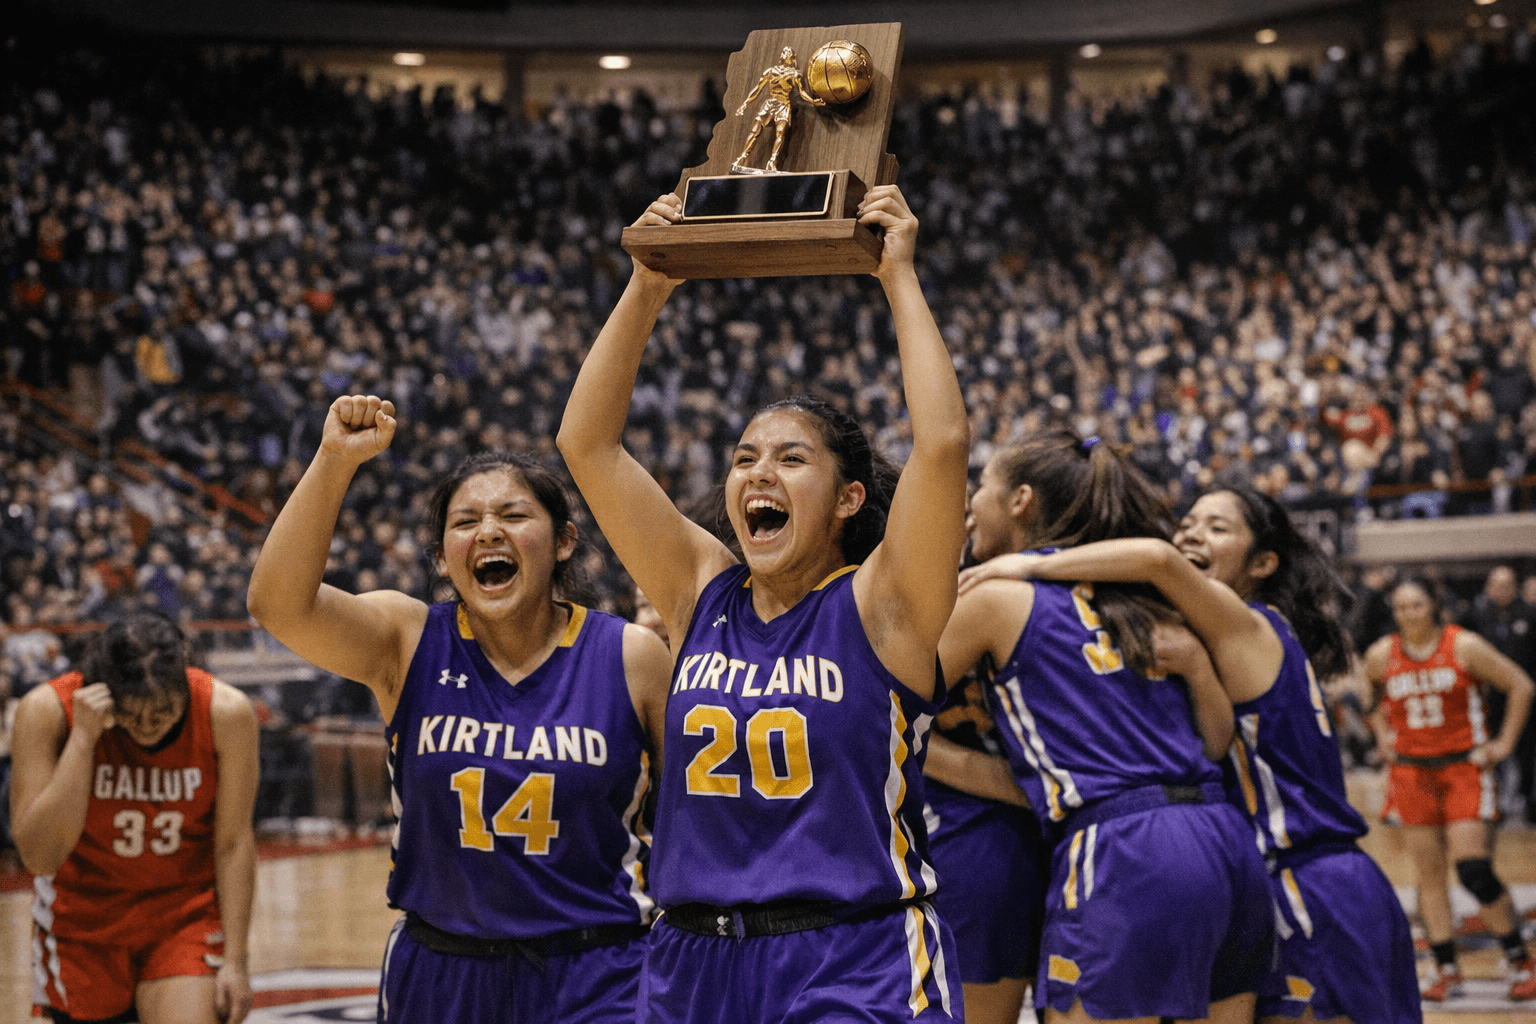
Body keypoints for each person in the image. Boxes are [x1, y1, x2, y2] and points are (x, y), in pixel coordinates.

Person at [558, 185, 969, 1023]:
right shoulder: (700, 590)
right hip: (692, 959)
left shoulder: (883, 605)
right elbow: (587, 445)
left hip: (852, 956)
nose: (758, 474)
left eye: (790, 458)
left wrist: (897, 274)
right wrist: (647, 285)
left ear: (849, 498)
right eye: (745, 458)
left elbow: (944, 446)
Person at [246, 401, 672, 1024]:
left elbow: (690, 818)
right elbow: (277, 604)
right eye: (465, 521)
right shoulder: (406, 638)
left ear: (563, 542)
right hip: (442, 971)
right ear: (444, 559)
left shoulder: (631, 656)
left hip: (599, 972)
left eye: (513, 515)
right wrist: (334, 461)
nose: (489, 532)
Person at [962, 484, 1420, 1023]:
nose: (1192, 535)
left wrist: (1029, 565)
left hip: (1303, 880)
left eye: (1217, 527)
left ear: (1263, 563)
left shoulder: (1242, 621)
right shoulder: (1248, 634)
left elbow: (1157, 560)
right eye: (1188, 523)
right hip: (1322, 878)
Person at [936, 433, 1272, 1024]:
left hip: (1122, 847)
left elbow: (871, 703)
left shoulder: (997, 597)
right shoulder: (1142, 596)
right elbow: (1214, 743)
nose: (971, 504)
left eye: (981, 487)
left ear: (1020, 501)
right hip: (1225, 840)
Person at [10, 611, 259, 1024]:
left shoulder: (225, 712)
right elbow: (39, 856)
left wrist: (236, 960)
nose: (147, 726)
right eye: (132, 714)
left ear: (185, 682)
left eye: (163, 710)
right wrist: (83, 739)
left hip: (182, 917)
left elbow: (233, 843)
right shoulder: (47, 711)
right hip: (81, 923)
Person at [1365, 577, 1536, 1002]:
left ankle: (1519, 960)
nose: (1408, 615)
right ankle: (1446, 969)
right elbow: (1368, 695)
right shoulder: (1382, 654)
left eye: (1417, 605)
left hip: (1462, 768)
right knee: (1429, 874)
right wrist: (1382, 736)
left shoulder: (1464, 645)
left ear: (1434, 606)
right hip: (1411, 773)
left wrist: (1503, 744)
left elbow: (1521, 685)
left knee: (1472, 868)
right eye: (1400, 607)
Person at [1459, 566, 1536, 822]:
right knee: (1489, 746)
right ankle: (1494, 801)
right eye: (1496, 585)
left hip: (1525, 695)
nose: (1501, 591)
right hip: (1489, 696)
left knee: (1526, 750)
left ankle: (1527, 798)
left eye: (1506, 585)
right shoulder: (1476, 616)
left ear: (1515, 588)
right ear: (1488, 588)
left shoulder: (1530, 615)